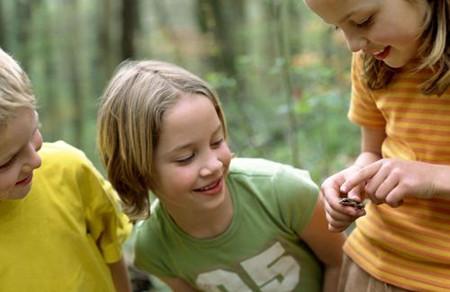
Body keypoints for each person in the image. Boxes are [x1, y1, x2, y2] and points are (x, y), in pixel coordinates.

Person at [97, 60, 345, 292]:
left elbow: (341, 262)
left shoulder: (283, 191)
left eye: (217, 141)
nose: (213, 165)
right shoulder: (153, 248)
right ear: (137, 171)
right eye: (186, 157)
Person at [304, 0, 450, 291]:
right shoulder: (373, 62)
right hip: (373, 264)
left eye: (363, 21)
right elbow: (372, 151)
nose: (353, 45)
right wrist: (354, 181)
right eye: (339, 27)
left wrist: (434, 178)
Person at [0, 47, 132, 291]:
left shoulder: (70, 170)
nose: (35, 160)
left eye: (33, 133)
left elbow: (112, 250)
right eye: (7, 161)